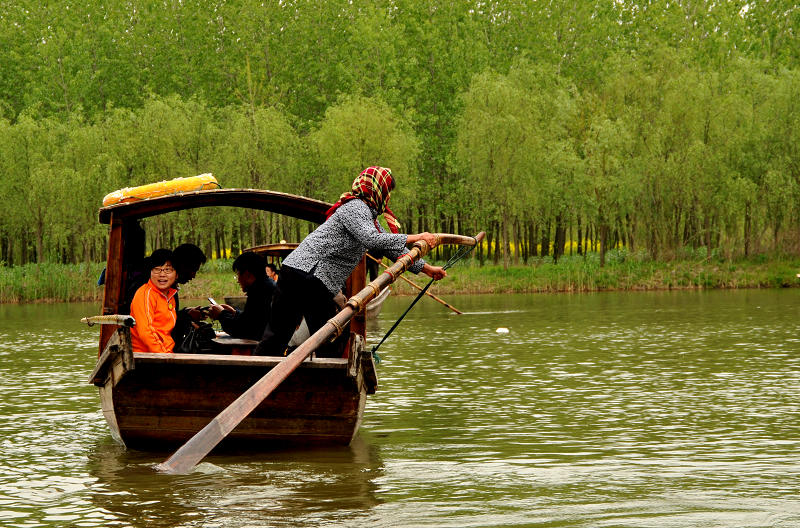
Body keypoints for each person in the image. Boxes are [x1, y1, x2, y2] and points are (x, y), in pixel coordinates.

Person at [255, 166, 446, 356]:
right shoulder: (355, 207)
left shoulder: (368, 214)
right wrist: (417, 237)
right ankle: (257, 380)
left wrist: (427, 268)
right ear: (377, 190)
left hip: (304, 275)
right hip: (309, 275)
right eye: (387, 193)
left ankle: (316, 381)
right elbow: (371, 239)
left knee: (318, 337)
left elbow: (390, 247)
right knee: (322, 336)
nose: (387, 198)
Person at [206, 252, 276, 340]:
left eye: (238, 275)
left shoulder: (259, 292)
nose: (238, 281)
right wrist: (234, 313)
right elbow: (252, 320)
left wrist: (221, 315)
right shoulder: (266, 286)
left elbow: (244, 331)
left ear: (247, 274)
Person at [129, 249, 179, 353]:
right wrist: (164, 357)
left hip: (166, 353)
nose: (162, 274)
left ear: (176, 274)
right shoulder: (145, 294)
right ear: (150, 272)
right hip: (146, 357)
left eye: (168, 270)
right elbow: (145, 332)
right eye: (157, 269)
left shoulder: (170, 296)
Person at [170, 243, 208, 346]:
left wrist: (187, 312)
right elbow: (162, 324)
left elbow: (170, 315)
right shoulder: (160, 289)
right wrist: (187, 316)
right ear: (182, 265)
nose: (193, 276)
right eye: (193, 270)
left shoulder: (172, 288)